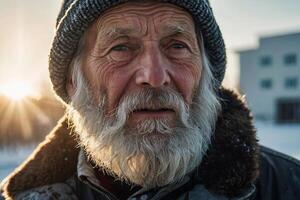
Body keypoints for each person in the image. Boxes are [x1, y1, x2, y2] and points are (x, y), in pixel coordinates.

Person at [1, 0, 300, 199]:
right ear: (72, 81)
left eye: (177, 46)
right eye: (120, 48)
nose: (155, 77)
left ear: (206, 76)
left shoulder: (287, 186)